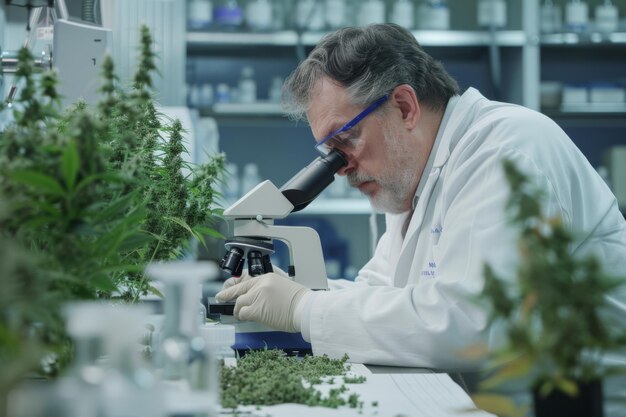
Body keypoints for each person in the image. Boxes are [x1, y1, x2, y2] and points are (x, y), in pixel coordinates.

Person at [216, 23, 626, 371]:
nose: (340, 167)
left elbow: (474, 325)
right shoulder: (416, 179)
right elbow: (384, 298)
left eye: (346, 139)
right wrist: (289, 292)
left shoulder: (507, 150)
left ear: (404, 106)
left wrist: (303, 309)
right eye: (329, 152)